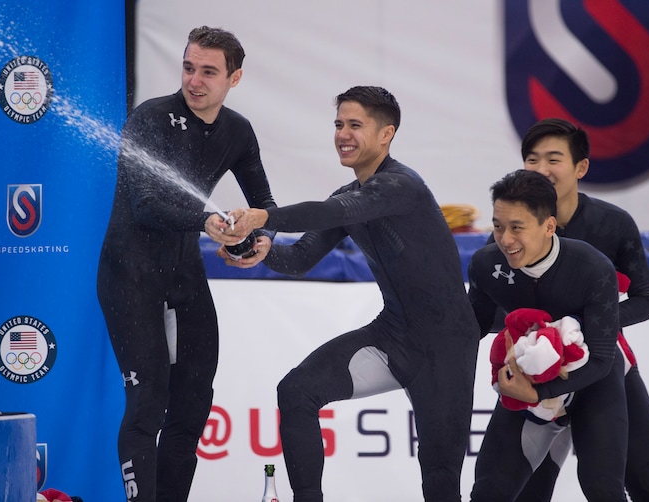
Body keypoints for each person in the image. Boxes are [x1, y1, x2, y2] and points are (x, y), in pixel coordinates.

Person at [206, 86, 480, 501]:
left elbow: (338, 211)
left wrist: (264, 216)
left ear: (387, 134)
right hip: (393, 335)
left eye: (355, 125)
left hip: (446, 347)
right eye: (338, 124)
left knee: (440, 480)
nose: (343, 134)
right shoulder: (349, 194)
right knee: (296, 391)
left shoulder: (402, 186)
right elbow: (299, 258)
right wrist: (262, 251)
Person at [96, 26, 276, 501]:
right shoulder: (150, 118)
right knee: (147, 404)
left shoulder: (237, 130)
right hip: (129, 272)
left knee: (193, 406)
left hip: (183, 275)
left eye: (209, 72)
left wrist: (261, 238)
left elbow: (264, 203)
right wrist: (207, 220)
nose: (194, 81)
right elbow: (145, 202)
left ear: (234, 78)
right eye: (188, 67)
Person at [517, 118, 649, 501]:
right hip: (538, 375)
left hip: (606, 366)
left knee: (645, 483)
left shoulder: (613, 224)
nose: (542, 170)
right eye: (532, 159)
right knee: (523, 492)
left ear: (581, 167)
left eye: (553, 159)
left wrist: (584, 327)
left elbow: (646, 300)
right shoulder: (515, 228)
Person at [467, 169, 628, 501]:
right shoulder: (485, 265)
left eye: (517, 228)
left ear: (549, 226)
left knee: (604, 489)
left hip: (591, 381)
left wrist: (538, 393)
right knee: (489, 492)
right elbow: (472, 329)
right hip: (527, 381)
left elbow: (600, 358)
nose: (505, 239)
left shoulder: (592, 267)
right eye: (498, 226)